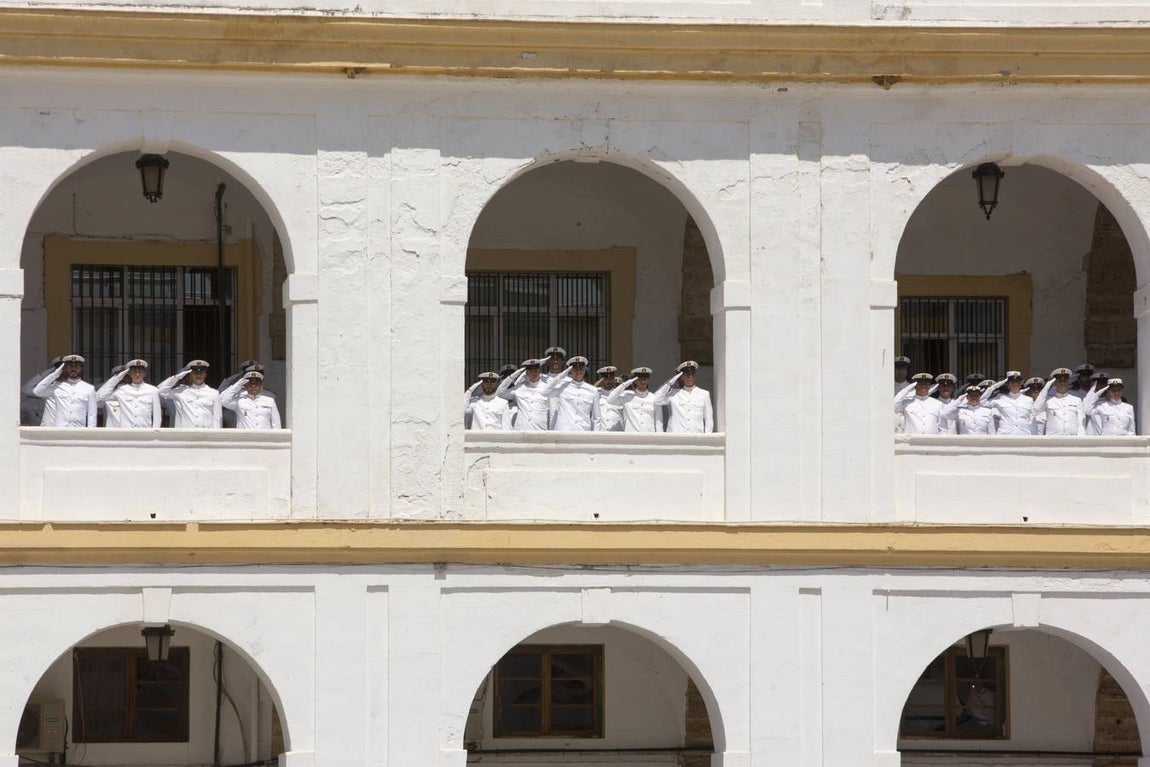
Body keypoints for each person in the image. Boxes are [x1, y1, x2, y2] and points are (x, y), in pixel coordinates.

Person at [32, 354, 96, 428]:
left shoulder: (89, 388)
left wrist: (90, 432)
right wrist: (55, 374)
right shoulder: (58, 386)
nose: (73, 369)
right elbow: (37, 391)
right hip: (60, 430)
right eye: (70, 366)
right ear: (65, 368)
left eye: (76, 366)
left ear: (81, 368)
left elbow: (92, 414)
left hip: (79, 430)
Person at [541, 355, 601, 431]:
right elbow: (544, 393)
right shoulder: (563, 387)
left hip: (583, 430)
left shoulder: (593, 390)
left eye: (581, 368)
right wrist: (561, 376)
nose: (578, 371)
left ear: (584, 370)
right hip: (564, 431)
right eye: (575, 369)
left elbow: (596, 417)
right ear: (571, 371)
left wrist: (595, 436)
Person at [157, 359, 222, 428]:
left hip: (206, 433)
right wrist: (176, 377)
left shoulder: (214, 393)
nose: (198, 376)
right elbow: (161, 391)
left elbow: (217, 418)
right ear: (190, 375)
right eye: (195, 373)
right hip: (187, 434)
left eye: (201, 373)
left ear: (205, 374)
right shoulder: (182, 391)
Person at [653, 360, 714, 433]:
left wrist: (707, 437)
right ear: (681, 377)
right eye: (687, 374)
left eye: (693, 374)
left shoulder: (704, 394)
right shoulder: (673, 394)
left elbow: (708, 419)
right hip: (676, 438)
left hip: (696, 437)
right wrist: (670, 382)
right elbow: (656, 400)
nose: (690, 377)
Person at [605, 366, 663, 432]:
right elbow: (610, 400)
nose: (643, 381)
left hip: (649, 438)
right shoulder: (627, 396)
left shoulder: (654, 398)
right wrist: (625, 384)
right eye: (640, 378)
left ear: (648, 380)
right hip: (631, 438)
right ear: (635, 381)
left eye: (645, 378)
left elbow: (659, 423)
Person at [497, 359, 550, 431]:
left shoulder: (547, 387)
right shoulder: (520, 387)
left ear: (540, 371)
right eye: (531, 371)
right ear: (527, 373)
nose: (534, 373)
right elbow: (500, 393)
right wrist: (513, 376)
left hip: (540, 429)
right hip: (521, 430)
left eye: (536, 370)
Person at [1034, 368, 1085, 436]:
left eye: (1065, 381)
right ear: (1054, 383)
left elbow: (1081, 423)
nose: (1062, 383)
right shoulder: (1048, 400)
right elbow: (1037, 408)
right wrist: (1046, 388)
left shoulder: (1077, 400)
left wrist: (1081, 440)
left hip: (1072, 439)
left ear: (1068, 382)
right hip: (1053, 440)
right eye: (1059, 381)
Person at [982, 371, 1036, 435]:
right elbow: (982, 402)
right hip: (1006, 436)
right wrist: (993, 387)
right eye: (1012, 382)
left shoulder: (1028, 400)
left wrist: (1034, 436)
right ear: (1007, 385)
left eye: (1018, 382)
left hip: (1024, 435)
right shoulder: (1000, 398)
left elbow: (1033, 419)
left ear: (1021, 384)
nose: (1015, 384)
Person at [21, 356, 62, 426]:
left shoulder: (74, 387)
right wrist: (48, 373)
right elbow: (26, 390)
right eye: (59, 368)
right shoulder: (43, 388)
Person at [595, 366, 624, 432]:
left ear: (614, 378)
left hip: (617, 432)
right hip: (601, 432)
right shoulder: (596, 393)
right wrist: (598, 382)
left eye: (611, 378)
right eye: (606, 378)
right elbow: (587, 392)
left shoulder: (621, 394)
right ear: (601, 379)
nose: (609, 380)